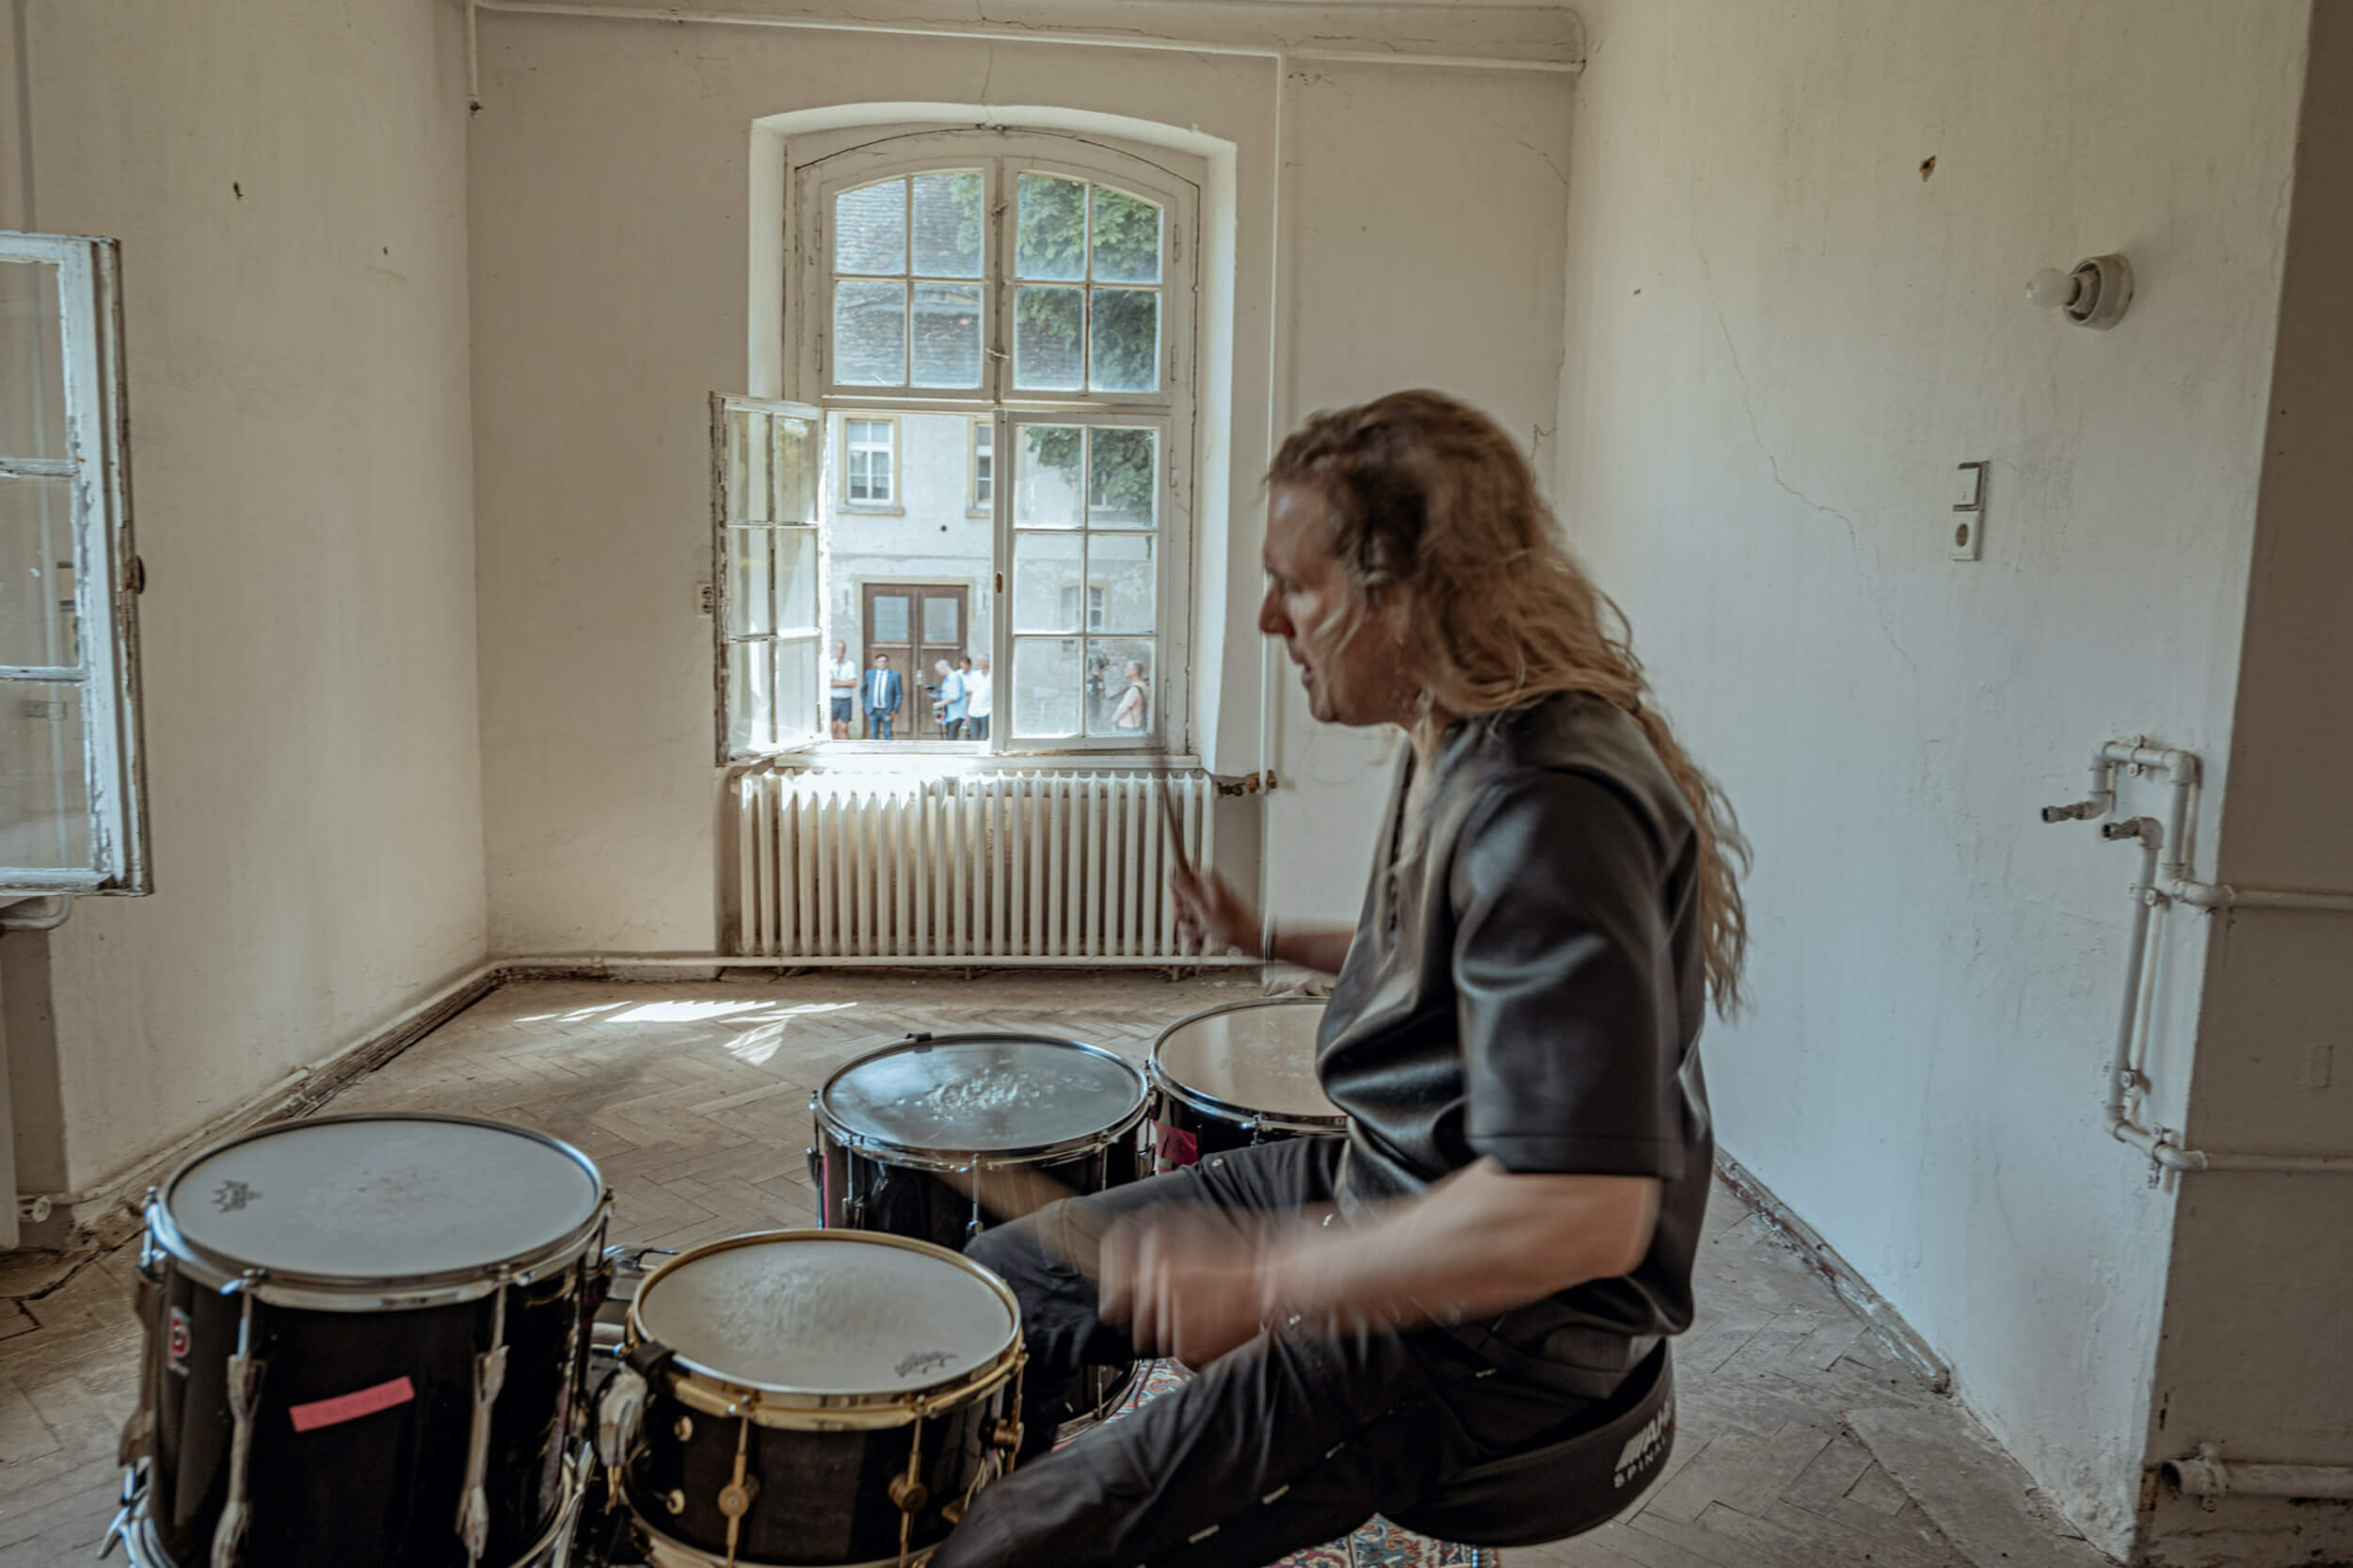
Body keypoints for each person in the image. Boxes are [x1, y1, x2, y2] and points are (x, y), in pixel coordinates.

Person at [932, 391, 1749, 1568]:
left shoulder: (1549, 802)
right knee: (1006, 1285)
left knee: (1013, 1549)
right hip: (1385, 1182)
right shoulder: (1453, 733)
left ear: (1408, 591)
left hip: (1488, 1337)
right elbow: (1451, 963)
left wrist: (1275, 1278)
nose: (1270, 617)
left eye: (1298, 585)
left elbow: (1582, 1208)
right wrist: (1274, 933)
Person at [861, 652, 902, 740]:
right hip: (873, 710)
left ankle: (889, 752)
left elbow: (898, 694)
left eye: (884, 662)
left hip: (887, 711)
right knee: (873, 733)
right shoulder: (869, 674)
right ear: (875, 663)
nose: (881, 664)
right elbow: (863, 690)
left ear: (887, 663)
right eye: (879, 662)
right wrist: (866, 705)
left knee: (888, 733)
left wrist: (894, 710)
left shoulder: (895, 675)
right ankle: (875, 752)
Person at [827, 640, 857, 741]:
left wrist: (836, 682)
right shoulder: (829, 664)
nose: (840, 651)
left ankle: (845, 750)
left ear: (845, 650)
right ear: (835, 650)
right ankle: (834, 750)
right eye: (838, 648)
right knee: (834, 727)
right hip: (833, 699)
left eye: (842, 649)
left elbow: (853, 683)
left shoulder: (850, 665)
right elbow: (829, 683)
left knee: (844, 728)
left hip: (845, 699)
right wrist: (845, 683)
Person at [935, 657, 968, 739]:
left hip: (957, 713)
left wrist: (940, 704)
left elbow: (955, 696)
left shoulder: (954, 677)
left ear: (943, 669)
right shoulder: (947, 679)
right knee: (949, 736)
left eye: (938, 671)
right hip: (950, 714)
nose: (939, 673)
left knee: (951, 737)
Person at [1111, 659, 1148, 732]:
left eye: (1127, 668)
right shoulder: (1143, 685)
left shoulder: (1134, 689)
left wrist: (1114, 718)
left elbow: (1125, 707)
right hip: (1136, 724)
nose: (1125, 670)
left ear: (1135, 671)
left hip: (1127, 726)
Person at [964, 652, 992, 741]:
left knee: (986, 737)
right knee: (974, 737)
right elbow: (970, 694)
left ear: (988, 662)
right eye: (977, 661)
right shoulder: (975, 675)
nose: (978, 663)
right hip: (973, 711)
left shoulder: (994, 675)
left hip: (988, 710)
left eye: (980, 660)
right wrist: (967, 714)